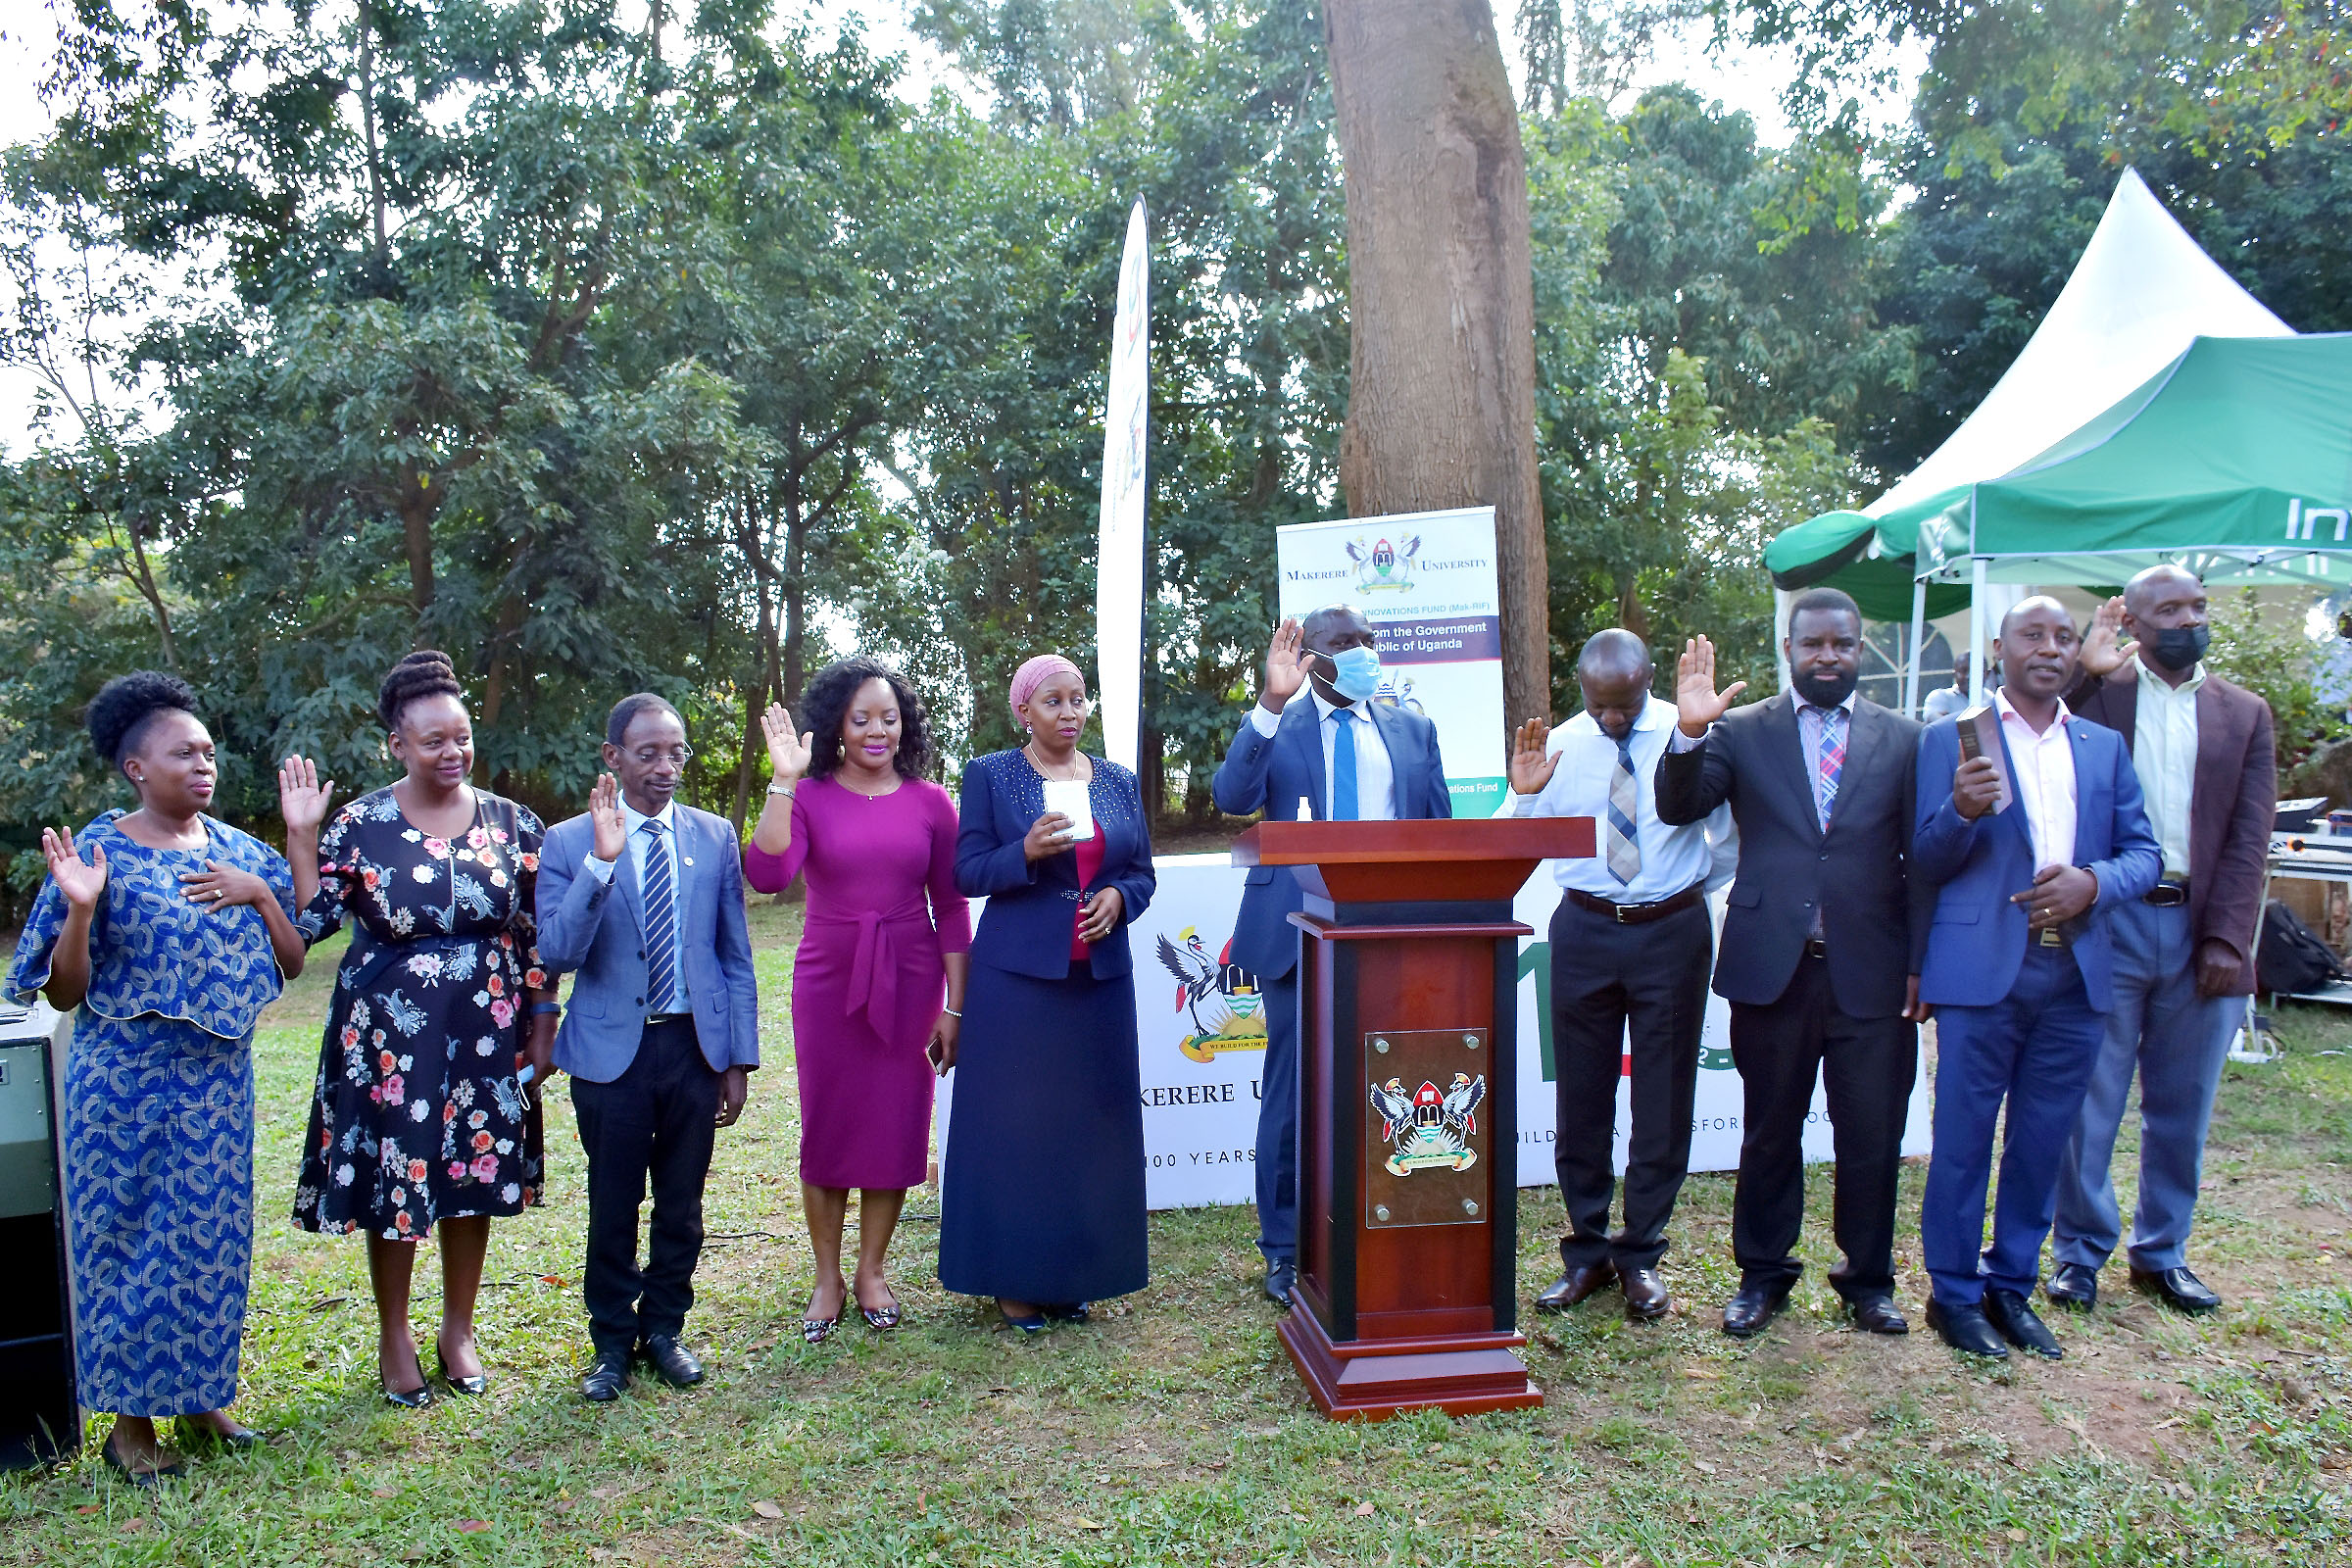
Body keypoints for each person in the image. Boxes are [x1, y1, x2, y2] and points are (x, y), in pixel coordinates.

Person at [6, 673, 303, 1484]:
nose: (205, 764)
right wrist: (78, 910)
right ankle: (131, 1426)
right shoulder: (97, 851)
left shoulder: (241, 852)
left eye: (209, 752)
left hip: (218, 1087)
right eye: (185, 753)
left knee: (211, 1247)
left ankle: (202, 1400)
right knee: (131, 1246)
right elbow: (64, 991)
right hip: (124, 1086)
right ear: (137, 767)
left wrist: (260, 898)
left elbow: (294, 958)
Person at [283, 651, 556, 1406]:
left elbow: (536, 932)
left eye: (461, 737)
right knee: (399, 1178)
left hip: (488, 1025)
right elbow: (310, 924)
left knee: (474, 1171)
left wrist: (542, 1021)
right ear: (396, 745)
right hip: (392, 1033)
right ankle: (395, 1331)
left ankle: (457, 1328)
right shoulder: (361, 824)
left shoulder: (511, 822)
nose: (452, 752)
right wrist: (303, 839)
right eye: (432, 740)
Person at [1656, 589, 1928, 1339]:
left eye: (1842, 644)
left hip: (1872, 969)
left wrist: (1923, 962)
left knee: (1871, 1133)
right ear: (1789, 647)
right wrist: (1686, 729)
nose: (1828, 656)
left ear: (1862, 647)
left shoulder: (1906, 739)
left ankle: (1868, 1282)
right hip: (1775, 968)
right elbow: (1681, 806)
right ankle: (1762, 1275)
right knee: (1769, 1129)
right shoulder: (1742, 731)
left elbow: (1925, 860)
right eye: (1813, 644)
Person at [1912, 597, 2161, 1359]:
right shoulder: (1953, 740)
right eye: (2034, 635)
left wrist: (2093, 881)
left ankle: (2010, 1286)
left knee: (2042, 1141)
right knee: (1962, 1141)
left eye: (2063, 637)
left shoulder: (2102, 745)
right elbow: (1923, 860)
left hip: (2077, 972)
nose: (2050, 648)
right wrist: (1957, 810)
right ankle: (1953, 1296)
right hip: (1984, 971)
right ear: (2001, 647)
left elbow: (2143, 855)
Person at [1209, 606, 1450, 1308]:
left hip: (1391, 937)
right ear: (1310, 655)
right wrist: (1268, 701)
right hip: (1295, 932)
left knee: (1399, 1086)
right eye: (1344, 643)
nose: (1362, 652)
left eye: (1369, 640)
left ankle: (1389, 1217)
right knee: (1291, 1098)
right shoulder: (1279, 726)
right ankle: (1285, 1249)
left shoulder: (1412, 729)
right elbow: (1231, 798)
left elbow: (1437, 835)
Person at [2047, 567, 2275, 1314]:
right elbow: (2033, 740)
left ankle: (2162, 1252)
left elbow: (2249, 839)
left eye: (2198, 607)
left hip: (2198, 926)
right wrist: (2086, 672)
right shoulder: (2100, 697)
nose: (2190, 619)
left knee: (2184, 1104)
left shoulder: (2244, 714)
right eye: (2170, 609)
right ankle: (2079, 1253)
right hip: (2107, 918)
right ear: (2135, 623)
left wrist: (2227, 940)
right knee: (2090, 1098)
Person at [1506, 630, 1737, 1322]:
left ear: (1646, 686)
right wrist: (1523, 799)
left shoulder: (1688, 729)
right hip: (1583, 930)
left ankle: (1641, 1257)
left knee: (1663, 1097)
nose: (1612, 719)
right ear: (1582, 686)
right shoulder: (1560, 745)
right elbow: (1514, 850)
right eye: (1600, 704)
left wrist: (1680, 894)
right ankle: (1585, 1254)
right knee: (1581, 1099)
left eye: (1625, 705)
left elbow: (1725, 842)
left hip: (1672, 931)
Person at [536, 694, 760, 1401]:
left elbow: (734, 951)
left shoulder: (714, 835)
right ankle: (610, 1344)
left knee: (682, 1203)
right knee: (613, 1201)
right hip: (610, 1057)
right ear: (613, 758)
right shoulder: (569, 843)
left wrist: (737, 1057)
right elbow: (557, 951)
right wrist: (602, 866)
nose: (666, 768)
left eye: (677, 753)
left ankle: (664, 1327)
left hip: (694, 1049)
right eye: (647, 753)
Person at [744, 662, 970, 1343]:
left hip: (910, 972)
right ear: (836, 725)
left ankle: (872, 1269)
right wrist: (783, 781)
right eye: (862, 717)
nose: (878, 730)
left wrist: (955, 1006)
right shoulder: (809, 795)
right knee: (831, 1122)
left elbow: (953, 907)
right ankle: (826, 1276)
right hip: (828, 977)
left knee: (896, 1121)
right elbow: (766, 873)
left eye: (890, 717)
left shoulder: (931, 801)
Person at [943, 655, 1155, 1331]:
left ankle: (1074, 1274)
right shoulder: (992, 776)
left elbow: (1142, 872)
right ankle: (1015, 1280)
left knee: (1091, 1131)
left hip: (1098, 981)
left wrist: (1121, 897)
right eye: (1054, 702)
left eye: (1079, 699)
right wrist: (1024, 852)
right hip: (1017, 983)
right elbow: (967, 873)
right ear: (1024, 713)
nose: (1070, 713)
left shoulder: (1118, 781)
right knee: (1017, 1130)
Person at [1923, 650, 1974, 720]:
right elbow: (1937, 725)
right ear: (1954, 674)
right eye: (1963, 671)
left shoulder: (1990, 697)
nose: (1969, 676)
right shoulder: (1940, 697)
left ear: (1987, 674)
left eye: (1976, 671)